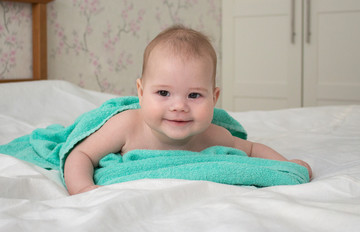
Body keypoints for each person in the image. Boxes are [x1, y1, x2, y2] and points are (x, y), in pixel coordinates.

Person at [64, 25, 312, 195]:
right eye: (163, 93)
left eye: (194, 95)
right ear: (140, 92)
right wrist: (84, 189)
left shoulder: (211, 135)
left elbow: (253, 149)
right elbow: (81, 155)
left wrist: (287, 165)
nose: (179, 106)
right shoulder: (127, 126)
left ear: (214, 98)